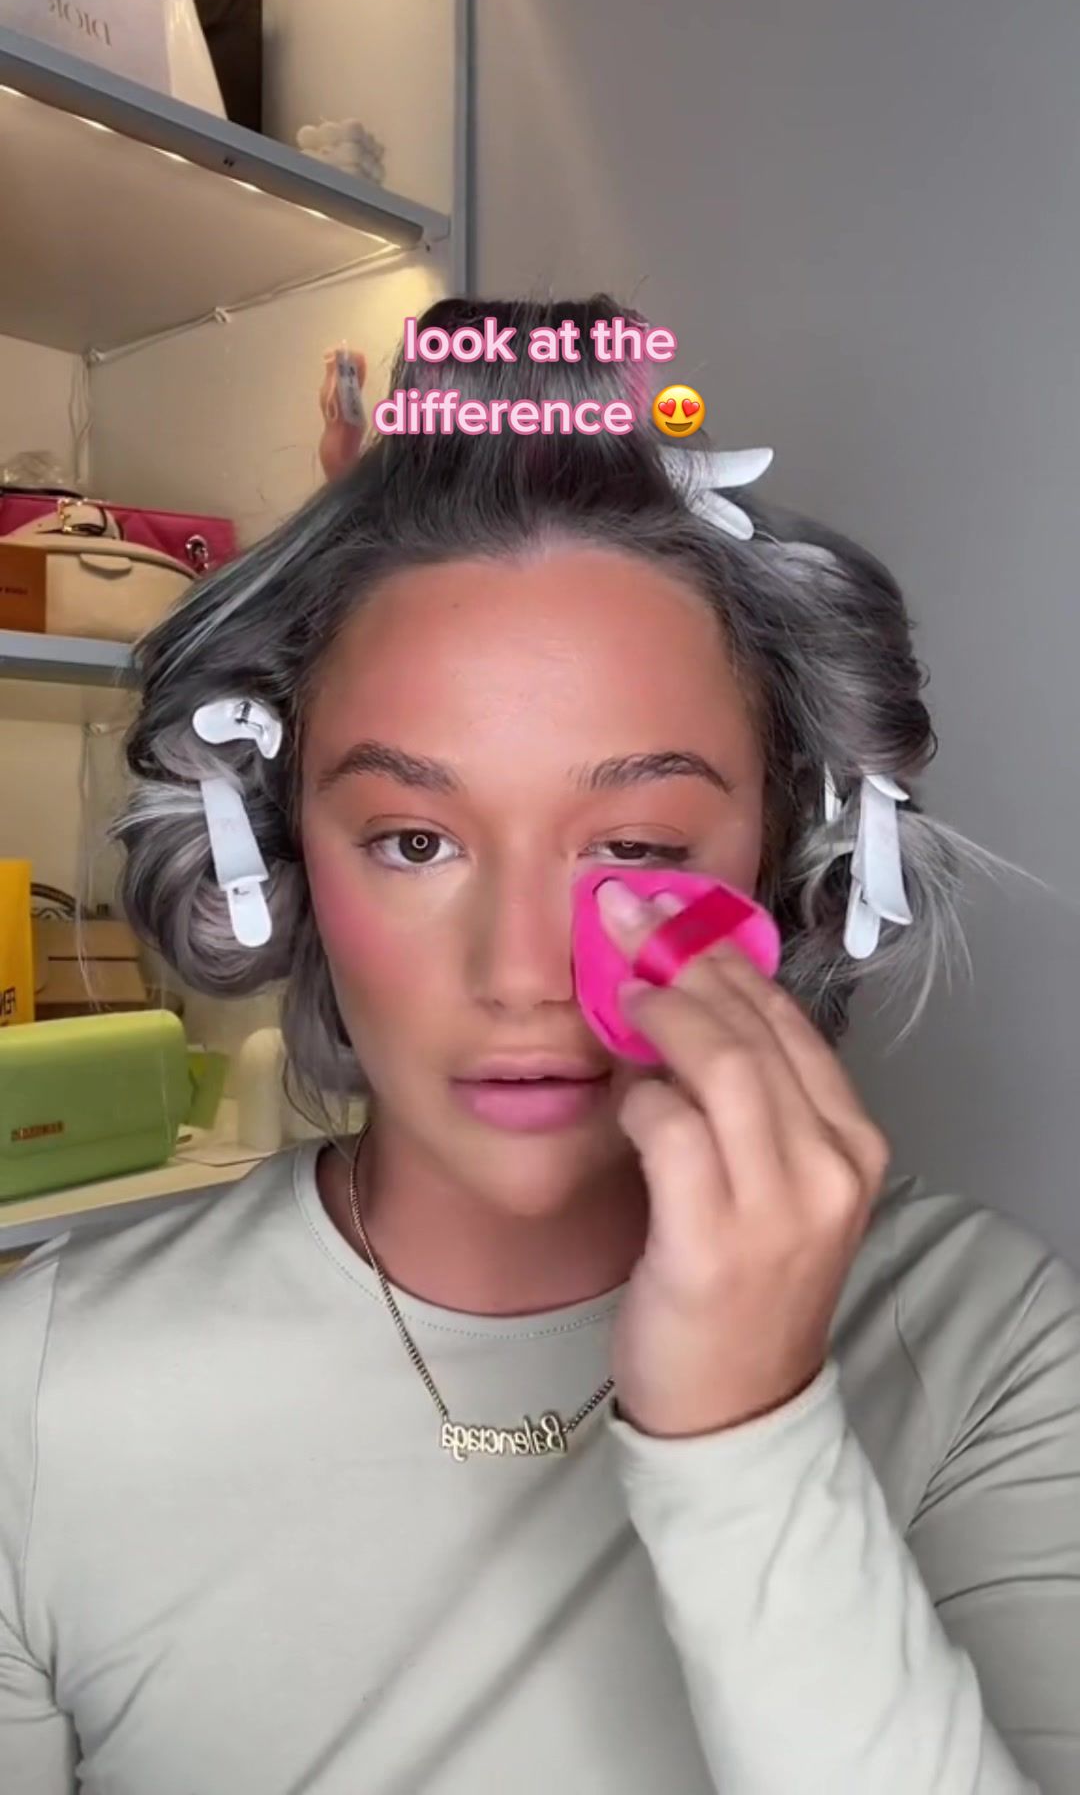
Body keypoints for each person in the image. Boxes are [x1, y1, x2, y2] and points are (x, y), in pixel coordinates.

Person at [1, 296, 1077, 1795]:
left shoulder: (989, 1342)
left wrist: (750, 1437)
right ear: (283, 855)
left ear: (788, 861)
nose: (521, 973)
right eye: (415, 839)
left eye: (633, 845)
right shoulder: (38, 1390)